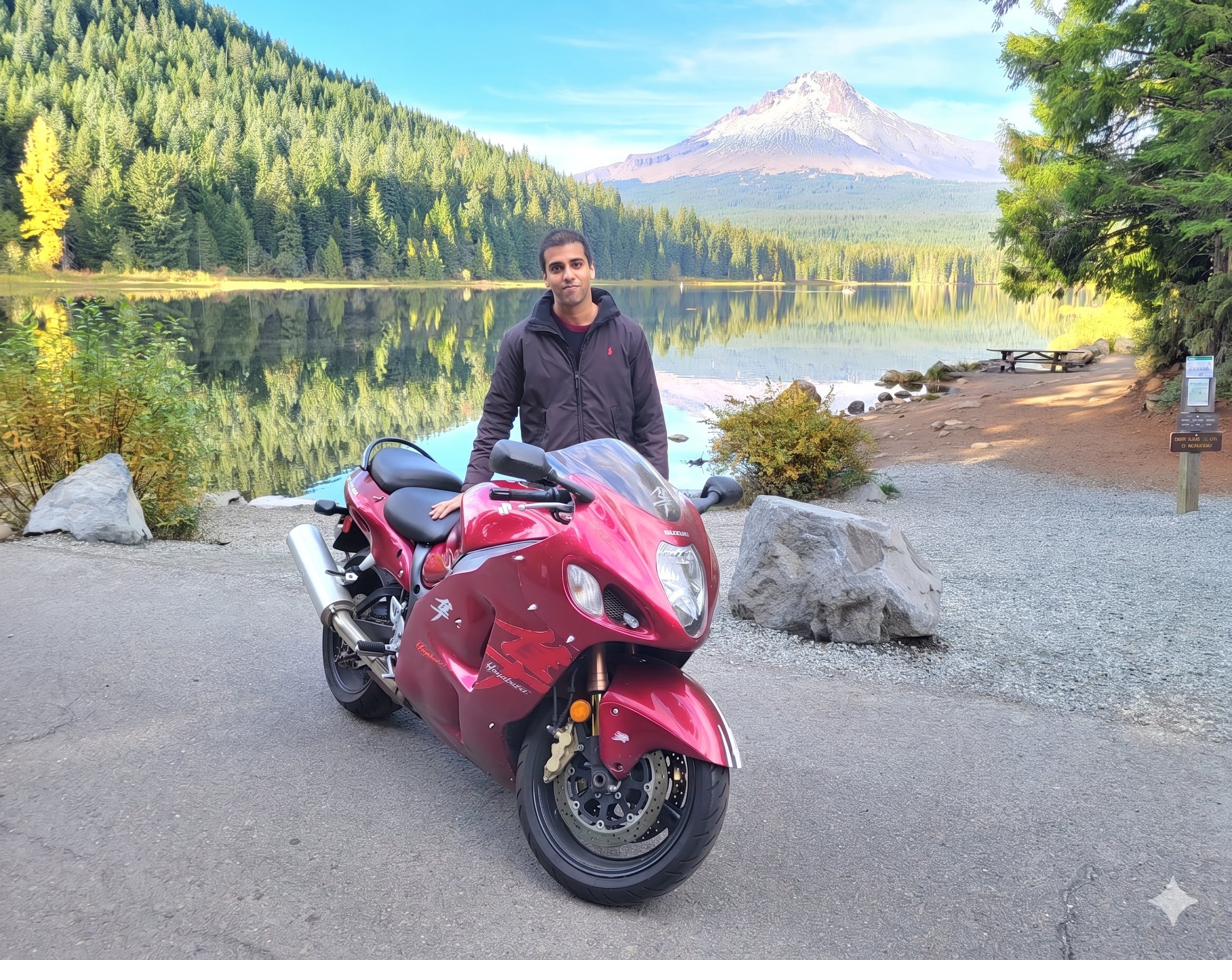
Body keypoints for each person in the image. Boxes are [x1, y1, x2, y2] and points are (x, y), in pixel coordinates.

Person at [429, 229, 668, 519]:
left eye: (576, 264)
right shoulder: (519, 341)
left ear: (591, 269)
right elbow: (496, 420)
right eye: (557, 268)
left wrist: (659, 496)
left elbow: (650, 423)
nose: (568, 275)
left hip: (617, 492)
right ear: (545, 278)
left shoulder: (629, 336)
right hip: (550, 495)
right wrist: (472, 490)